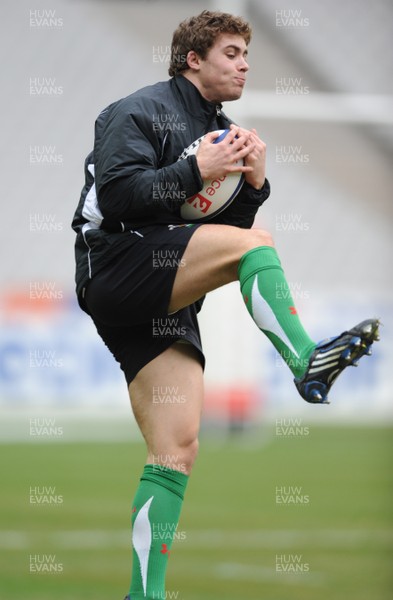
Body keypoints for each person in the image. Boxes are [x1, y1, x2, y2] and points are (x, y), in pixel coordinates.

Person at [71, 10, 379, 600]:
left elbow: (220, 230)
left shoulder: (224, 129)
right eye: (232, 53)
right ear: (194, 58)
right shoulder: (136, 109)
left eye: (245, 55)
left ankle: (144, 595)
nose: (244, 65)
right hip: (115, 264)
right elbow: (116, 196)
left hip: (160, 290)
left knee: (176, 449)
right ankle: (306, 362)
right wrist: (197, 168)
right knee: (257, 247)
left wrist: (254, 186)